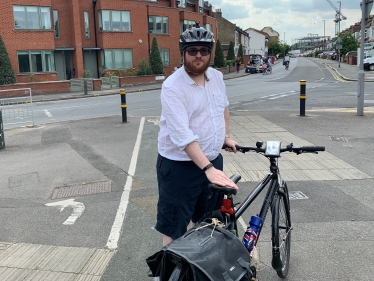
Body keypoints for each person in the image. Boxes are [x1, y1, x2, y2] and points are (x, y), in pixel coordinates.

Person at [155, 22, 239, 247]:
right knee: (174, 228)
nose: (199, 55)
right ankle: (167, 273)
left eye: (204, 50)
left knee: (208, 223)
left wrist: (225, 138)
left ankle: (197, 268)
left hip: (211, 163)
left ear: (210, 53)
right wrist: (208, 169)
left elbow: (223, 108)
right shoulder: (173, 86)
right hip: (178, 168)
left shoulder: (217, 77)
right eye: (192, 51)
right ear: (183, 54)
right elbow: (182, 135)